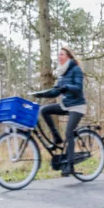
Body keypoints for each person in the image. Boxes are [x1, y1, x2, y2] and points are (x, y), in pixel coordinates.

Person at [34, 47, 87, 177]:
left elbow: (78, 88)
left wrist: (67, 87)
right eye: (58, 54)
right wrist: (41, 94)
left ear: (68, 56)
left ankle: (70, 165)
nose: (59, 57)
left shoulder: (76, 69)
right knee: (44, 110)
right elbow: (56, 91)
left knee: (69, 132)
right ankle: (57, 137)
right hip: (66, 104)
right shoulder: (62, 73)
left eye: (61, 54)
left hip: (77, 106)